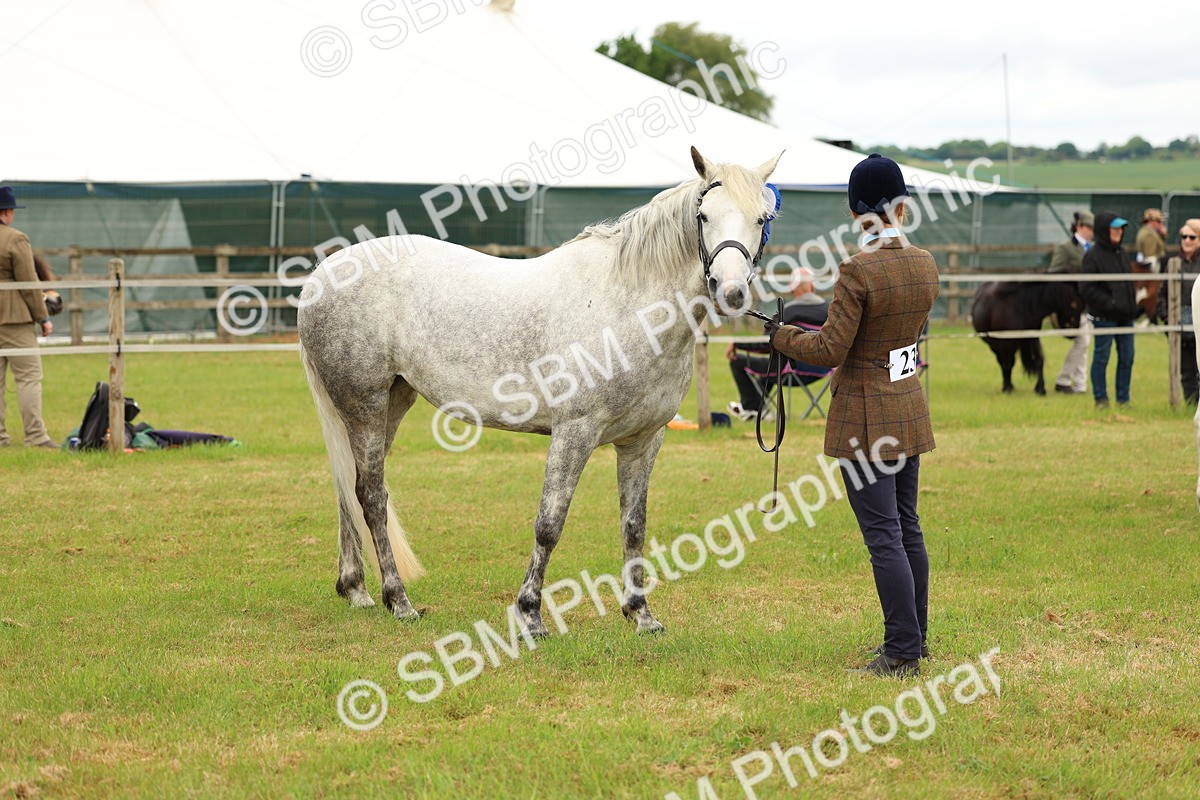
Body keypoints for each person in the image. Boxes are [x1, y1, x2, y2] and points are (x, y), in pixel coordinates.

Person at [768, 154, 940, 677]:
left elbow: (832, 349)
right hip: (907, 403)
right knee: (907, 527)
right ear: (902, 207)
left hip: (867, 416)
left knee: (884, 533)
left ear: (858, 212)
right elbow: (900, 341)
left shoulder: (858, 269)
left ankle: (901, 652)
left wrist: (782, 337)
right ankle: (915, 638)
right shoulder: (924, 263)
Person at [725, 268, 829, 421]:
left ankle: (750, 408)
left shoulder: (787, 312)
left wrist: (738, 343)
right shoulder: (831, 310)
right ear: (812, 287)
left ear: (792, 289)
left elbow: (766, 344)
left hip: (789, 370)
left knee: (738, 361)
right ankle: (756, 407)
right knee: (769, 367)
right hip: (823, 369)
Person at [0, 186, 56, 449]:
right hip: (14, 320)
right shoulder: (15, 239)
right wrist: (42, 316)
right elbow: (28, 282)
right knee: (29, 378)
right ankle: (35, 436)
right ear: (7, 212)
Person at [1080, 212, 1136, 409]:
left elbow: (1128, 284)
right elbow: (1087, 289)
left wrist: (1131, 305)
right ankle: (1101, 399)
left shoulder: (1122, 253)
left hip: (1126, 316)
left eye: (1121, 228)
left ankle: (1123, 399)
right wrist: (1110, 303)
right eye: (1114, 228)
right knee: (1102, 357)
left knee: (1127, 357)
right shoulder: (1092, 257)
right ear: (1104, 230)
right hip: (1104, 317)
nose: (1119, 232)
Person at [1155, 218, 1199, 405]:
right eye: (1183, 236)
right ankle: (1191, 402)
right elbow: (1162, 293)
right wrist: (1166, 316)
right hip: (1178, 320)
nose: (1187, 240)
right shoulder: (1173, 263)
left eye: (1192, 237)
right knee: (1185, 367)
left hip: (1197, 319)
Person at [1051, 210, 1094, 394]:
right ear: (1079, 226)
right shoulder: (1066, 247)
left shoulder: (1093, 249)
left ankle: (1079, 384)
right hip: (1071, 304)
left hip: (1088, 302)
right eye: (1089, 227)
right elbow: (1054, 273)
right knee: (1083, 341)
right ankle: (1063, 379)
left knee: (1084, 342)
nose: (1092, 231)